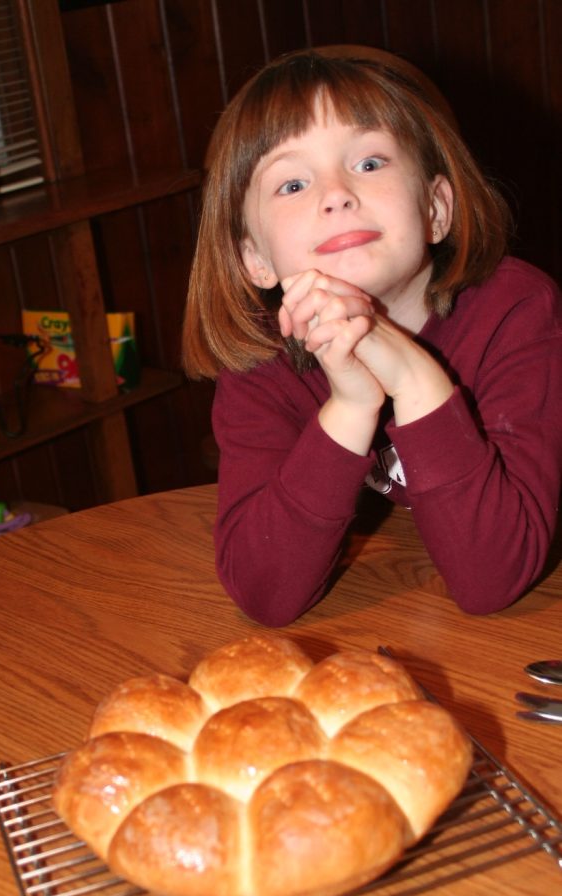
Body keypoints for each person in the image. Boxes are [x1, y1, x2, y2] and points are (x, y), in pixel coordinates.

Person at [182, 46, 562, 627]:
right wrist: (352, 403)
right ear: (254, 259)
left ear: (436, 208)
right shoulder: (262, 357)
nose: (336, 194)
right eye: (292, 184)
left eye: (368, 164)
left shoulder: (518, 309)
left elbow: (492, 578)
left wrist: (412, 376)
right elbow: (265, 594)